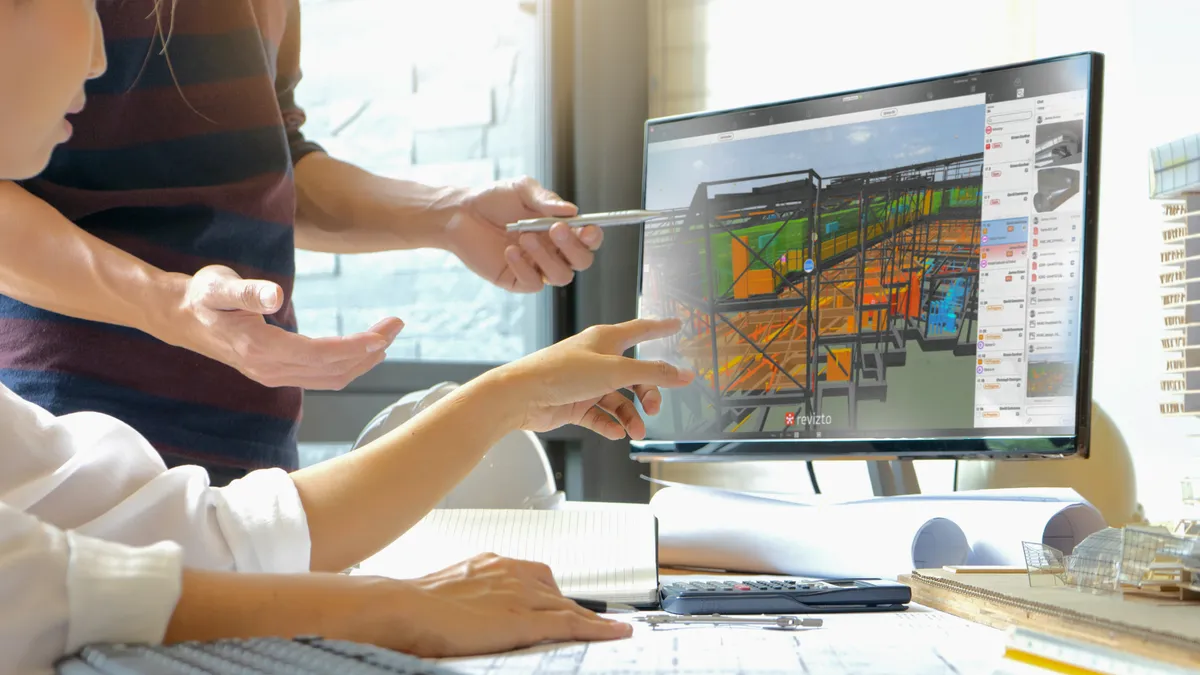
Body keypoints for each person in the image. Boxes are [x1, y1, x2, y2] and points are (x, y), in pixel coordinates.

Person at [1, 5, 692, 672]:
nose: (101, 58)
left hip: (232, 442)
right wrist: (392, 606)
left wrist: (450, 221)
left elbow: (217, 541)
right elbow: (69, 590)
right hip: (92, 401)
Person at [0, 0, 604, 485]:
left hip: (252, 434)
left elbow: (271, 160)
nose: (98, 61)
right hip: (75, 424)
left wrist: (447, 216)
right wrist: (170, 303)